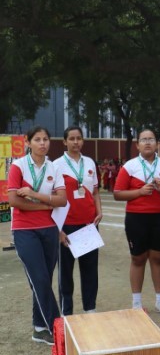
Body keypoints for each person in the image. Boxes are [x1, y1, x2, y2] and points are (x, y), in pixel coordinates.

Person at [7, 126, 67, 345]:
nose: (42, 143)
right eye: (37, 139)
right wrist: (46, 204)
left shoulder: (54, 167)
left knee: (43, 279)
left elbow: (62, 200)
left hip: (49, 229)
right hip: (24, 230)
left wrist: (33, 195)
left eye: (46, 139)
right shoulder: (18, 166)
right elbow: (14, 201)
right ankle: (57, 328)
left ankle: (39, 328)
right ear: (28, 142)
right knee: (39, 278)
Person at [114, 128, 160, 314]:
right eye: (143, 139)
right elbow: (117, 194)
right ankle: (136, 303)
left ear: (157, 144)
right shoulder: (129, 166)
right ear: (137, 145)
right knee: (138, 258)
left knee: (158, 257)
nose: (147, 142)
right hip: (136, 218)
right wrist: (139, 192)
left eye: (151, 139)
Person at [54, 126, 102, 315]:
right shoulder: (56, 165)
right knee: (66, 272)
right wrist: (58, 229)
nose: (76, 142)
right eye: (72, 139)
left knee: (90, 269)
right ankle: (66, 312)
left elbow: (95, 191)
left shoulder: (89, 162)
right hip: (66, 225)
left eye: (79, 138)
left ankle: (90, 308)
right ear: (64, 142)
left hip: (89, 224)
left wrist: (99, 211)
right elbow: (53, 197)